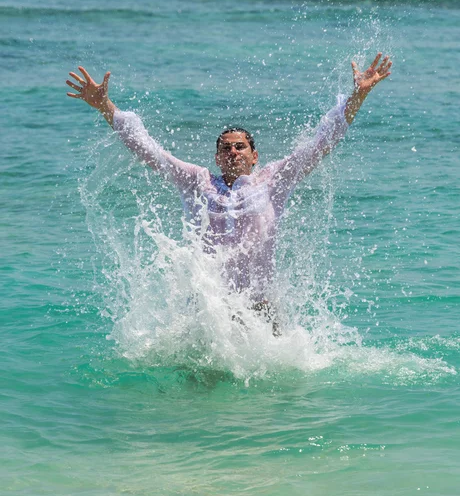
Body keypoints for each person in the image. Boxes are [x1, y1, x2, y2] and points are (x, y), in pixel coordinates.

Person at [66, 54, 391, 333]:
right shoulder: (197, 180)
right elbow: (149, 151)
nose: (233, 151)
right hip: (208, 306)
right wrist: (105, 106)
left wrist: (357, 97)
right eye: (225, 148)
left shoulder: (274, 180)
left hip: (259, 304)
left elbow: (322, 142)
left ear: (254, 155)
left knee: (280, 391)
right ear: (217, 157)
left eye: (240, 147)